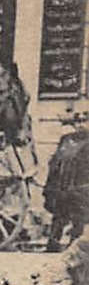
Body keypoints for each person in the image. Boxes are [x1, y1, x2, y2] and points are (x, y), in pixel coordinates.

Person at [46, 105, 89, 251]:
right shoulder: (66, 139)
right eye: (78, 122)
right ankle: (52, 244)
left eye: (85, 121)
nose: (81, 125)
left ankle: (73, 248)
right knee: (58, 217)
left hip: (81, 190)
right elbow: (55, 162)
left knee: (78, 219)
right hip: (61, 187)